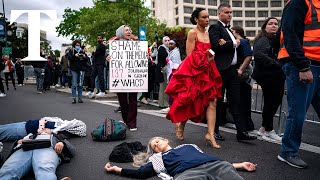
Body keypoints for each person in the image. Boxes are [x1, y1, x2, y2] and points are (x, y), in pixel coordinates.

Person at [165, 8, 222, 148]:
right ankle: (181, 125)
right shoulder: (192, 32)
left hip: (208, 71)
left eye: (208, 17)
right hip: (194, 72)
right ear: (196, 19)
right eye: (203, 17)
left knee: (212, 101)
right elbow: (190, 56)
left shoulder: (209, 34)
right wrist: (205, 60)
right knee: (189, 100)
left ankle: (210, 135)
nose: (207, 20)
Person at [277, 0, 320, 169]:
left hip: (315, 64)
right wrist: (302, 65)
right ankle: (287, 152)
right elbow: (290, 33)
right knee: (298, 112)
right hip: (302, 64)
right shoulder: (299, 2)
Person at [209, 3, 257, 141]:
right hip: (221, 70)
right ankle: (215, 131)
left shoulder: (229, 30)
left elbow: (227, 46)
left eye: (231, 12)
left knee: (236, 101)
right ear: (219, 14)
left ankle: (241, 132)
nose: (229, 14)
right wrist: (234, 43)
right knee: (218, 101)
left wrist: (229, 43)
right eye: (226, 12)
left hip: (233, 71)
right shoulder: (215, 27)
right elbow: (216, 46)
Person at [105, 137, 256, 179]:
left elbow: (205, 157)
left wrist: (240, 164)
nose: (156, 144)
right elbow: (141, 173)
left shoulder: (189, 146)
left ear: (166, 140)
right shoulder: (159, 158)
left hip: (215, 165)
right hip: (187, 173)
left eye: (157, 141)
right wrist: (117, 170)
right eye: (153, 146)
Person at [252, 17, 285, 142]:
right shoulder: (263, 39)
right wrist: (278, 64)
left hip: (272, 75)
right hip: (268, 76)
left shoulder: (273, 39)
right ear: (265, 26)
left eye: (276, 24)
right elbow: (259, 55)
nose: (274, 26)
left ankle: (263, 128)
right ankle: (268, 131)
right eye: (270, 23)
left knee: (271, 103)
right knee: (271, 103)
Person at [0, 128, 75, 179]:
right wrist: (18, 142)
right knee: (9, 169)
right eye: (42, 129)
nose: (44, 129)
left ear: (51, 132)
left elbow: (72, 150)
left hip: (46, 148)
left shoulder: (55, 137)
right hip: (25, 149)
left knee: (44, 167)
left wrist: (62, 143)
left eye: (47, 129)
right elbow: (14, 147)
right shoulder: (30, 136)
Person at [106, 25, 138, 131]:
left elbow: (141, 58)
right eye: (126, 30)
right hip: (120, 75)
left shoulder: (136, 45)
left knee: (133, 99)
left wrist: (145, 56)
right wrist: (108, 58)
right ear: (121, 32)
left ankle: (132, 123)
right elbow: (109, 57)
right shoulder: (115, 45)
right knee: (123, 99)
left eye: (130, 30)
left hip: (133, 74)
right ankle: (126, 120)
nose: (129, 31)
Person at [231, 26, 255, 132]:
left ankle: (246, 125)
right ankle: (245, 125)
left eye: (231, 31)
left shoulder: (243, 42)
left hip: (241, 74)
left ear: (236, 32)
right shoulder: (238, 42)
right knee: (241, 100)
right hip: (241, 73)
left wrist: (240, 70)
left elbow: (248, 56)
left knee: (243, 100)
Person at [161, 39, 182, 113]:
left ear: (175, 45)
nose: (170, 45)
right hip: (171, 72)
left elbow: (176, 64)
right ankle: (172, 106)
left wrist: (168, 61)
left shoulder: (175, 52)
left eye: (172, 44)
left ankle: (171, 106)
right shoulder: (173, 51)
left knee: (172, 90)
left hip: (173, 72)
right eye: (169, 44)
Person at [155, 36, 170, 109]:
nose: (167, 42)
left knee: (164, 87)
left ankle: (163, 103)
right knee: (163, 87)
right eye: (166, 40)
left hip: (164, 69)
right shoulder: (162, 48)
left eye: (168, 40)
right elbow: (166, 58)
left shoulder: (167, 49)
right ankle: (163, 103)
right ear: (163, 42)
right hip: (162, 70)